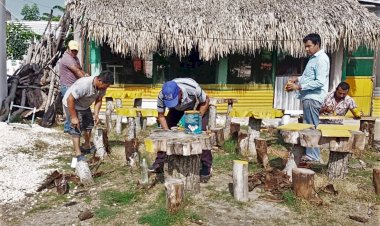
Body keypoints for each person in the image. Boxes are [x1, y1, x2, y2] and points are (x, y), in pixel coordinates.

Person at [150, 78, 212, 181]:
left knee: (201, 134)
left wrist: (196, 117)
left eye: (173, 99)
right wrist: (167, 132)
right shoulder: (162, 95)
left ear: (179, 92)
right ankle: (159, 163)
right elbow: (161, 116)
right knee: (165, 135)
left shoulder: (193, 88)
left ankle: (206, 165)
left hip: (195, 108)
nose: (171, 102)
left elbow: (206, 101)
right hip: (176, 110)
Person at [285, 33, 330, 162]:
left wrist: (298, 87)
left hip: (313, 97)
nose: (306, 49)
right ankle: (310, 153)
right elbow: (309, 77)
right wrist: (297, 79)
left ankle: (313, 155)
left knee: (310, 126)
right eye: (305, 46)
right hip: (308, 97)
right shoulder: (313, 58)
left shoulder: (321, 59)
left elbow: (320, 82)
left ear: (317, 44)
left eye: (309, 46)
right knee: (308, 125)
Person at [62, 70, 113, 163]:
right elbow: (70, 99)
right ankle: (78, 154)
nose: (107, 87)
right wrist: (74, 117)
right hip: (72, 104)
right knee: (76, 127)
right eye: (106, 85)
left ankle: (86, 145)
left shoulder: (102, 87)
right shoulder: (84, 85)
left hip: (84, 105)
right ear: (100, 80)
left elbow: (99, 100)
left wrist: (96, 114)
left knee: (89, 125)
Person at [59, 40, 88, 133]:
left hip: (73, 86)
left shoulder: (75, 58)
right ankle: (69, 128)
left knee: (73, 107)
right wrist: (87, 80)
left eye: (76, 50)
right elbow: (77, 71)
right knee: (69, 108)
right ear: (68, 49)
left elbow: (80, 69)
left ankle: (70, 127)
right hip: (67, 86)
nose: (74, 52)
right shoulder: (67, 58)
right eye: (73, 50)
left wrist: (86, 76)